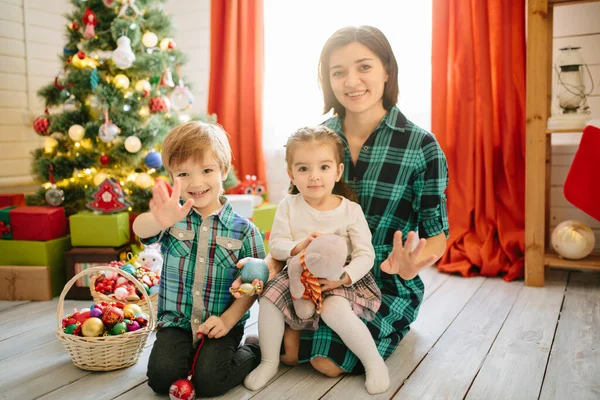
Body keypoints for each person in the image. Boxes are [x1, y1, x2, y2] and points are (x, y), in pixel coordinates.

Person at [233, 25, 449, 387]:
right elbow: (296, 213)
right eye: (338, 72)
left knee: (326, 362)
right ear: (327, 80)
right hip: (311, 277)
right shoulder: (317, 140)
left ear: (387, 71)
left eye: (364, 67)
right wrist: (271, 264)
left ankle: (311, 342)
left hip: (382, 280)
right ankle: (290, 343)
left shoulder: (421, 146)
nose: (352, 81)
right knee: (284, 333)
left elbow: (437, 235)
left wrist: (412, 265)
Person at [244, 126, 390, 394]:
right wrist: (298, 246)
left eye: (324, 167)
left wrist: (342, 278)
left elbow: (365, 254)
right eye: (303, 169)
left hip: (338, 277)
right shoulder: (289, 205)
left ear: (338, 171)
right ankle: (268, 361)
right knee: (268, 300)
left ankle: (374, 363)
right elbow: (276, 245)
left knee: (335, 310)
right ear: (291, 174)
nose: (314, 177)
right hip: (296, 275)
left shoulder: (350, 210)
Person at [133, 121, 266, 397]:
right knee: (160, 380)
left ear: (224, 170)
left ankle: (253, 349)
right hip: (177, 324)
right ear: (172, 177)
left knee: (210, 382)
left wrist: (229, 321)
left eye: (207, 170)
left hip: (220, 324)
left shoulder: (244, 230)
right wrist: (158, 220)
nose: (196, 183)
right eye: (184, 174)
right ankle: (187, 355)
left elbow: (255, 285)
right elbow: (141, 232)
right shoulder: (171, 222)